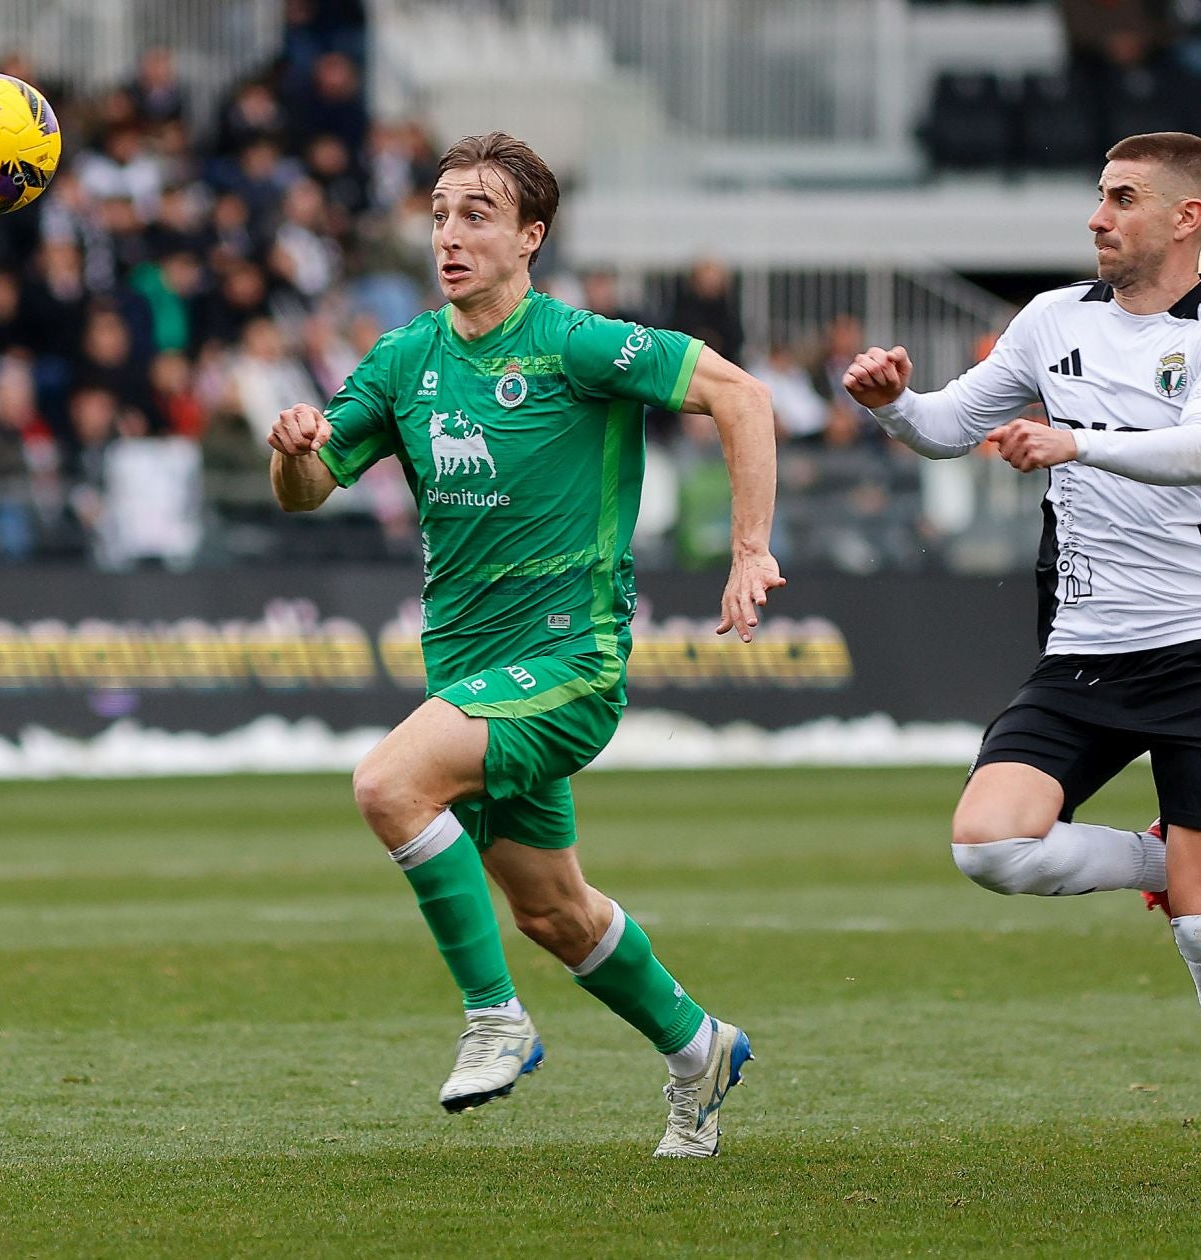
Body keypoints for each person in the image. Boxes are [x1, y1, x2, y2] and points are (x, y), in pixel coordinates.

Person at [266, 132, 784, 1158]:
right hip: (466, 673)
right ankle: (699, 1050)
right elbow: (312, 490)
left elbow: (743, 394)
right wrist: (290, 454)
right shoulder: (405, 359)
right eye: (441, 214)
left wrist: (749, 548)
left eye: (478, 216)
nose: (450, 236)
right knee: (556, 913)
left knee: (386, 786)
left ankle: (494, 1018)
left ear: (530, 237)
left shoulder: (579, 345)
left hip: (568, 665)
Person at [843, 132, 1201, 1188]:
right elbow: (953, 425)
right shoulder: (1052, 320)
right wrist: (894, 406)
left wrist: (1073, 441)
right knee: (988, 848)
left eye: (1122, 198)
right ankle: (1165, 857)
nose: (1097, 216)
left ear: (1187, 218)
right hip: (1083, 655)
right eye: (1098, 197)